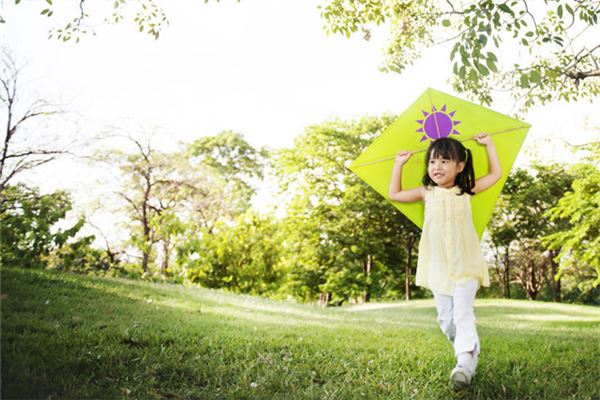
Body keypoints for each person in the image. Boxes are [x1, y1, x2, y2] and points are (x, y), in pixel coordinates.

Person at [388, 133, 501, 390]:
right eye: (432, 161)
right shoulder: (426, 192)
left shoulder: (465, 190)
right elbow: (394, 193)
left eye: (445, 161)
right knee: (446, 320)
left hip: (465, 263)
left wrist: (489, 145)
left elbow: (495, 174)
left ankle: (463, 365)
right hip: (438, 265)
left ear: (459, 166)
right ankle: (470, 349)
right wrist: (399, 163)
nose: (436, 167)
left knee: (462, 314)